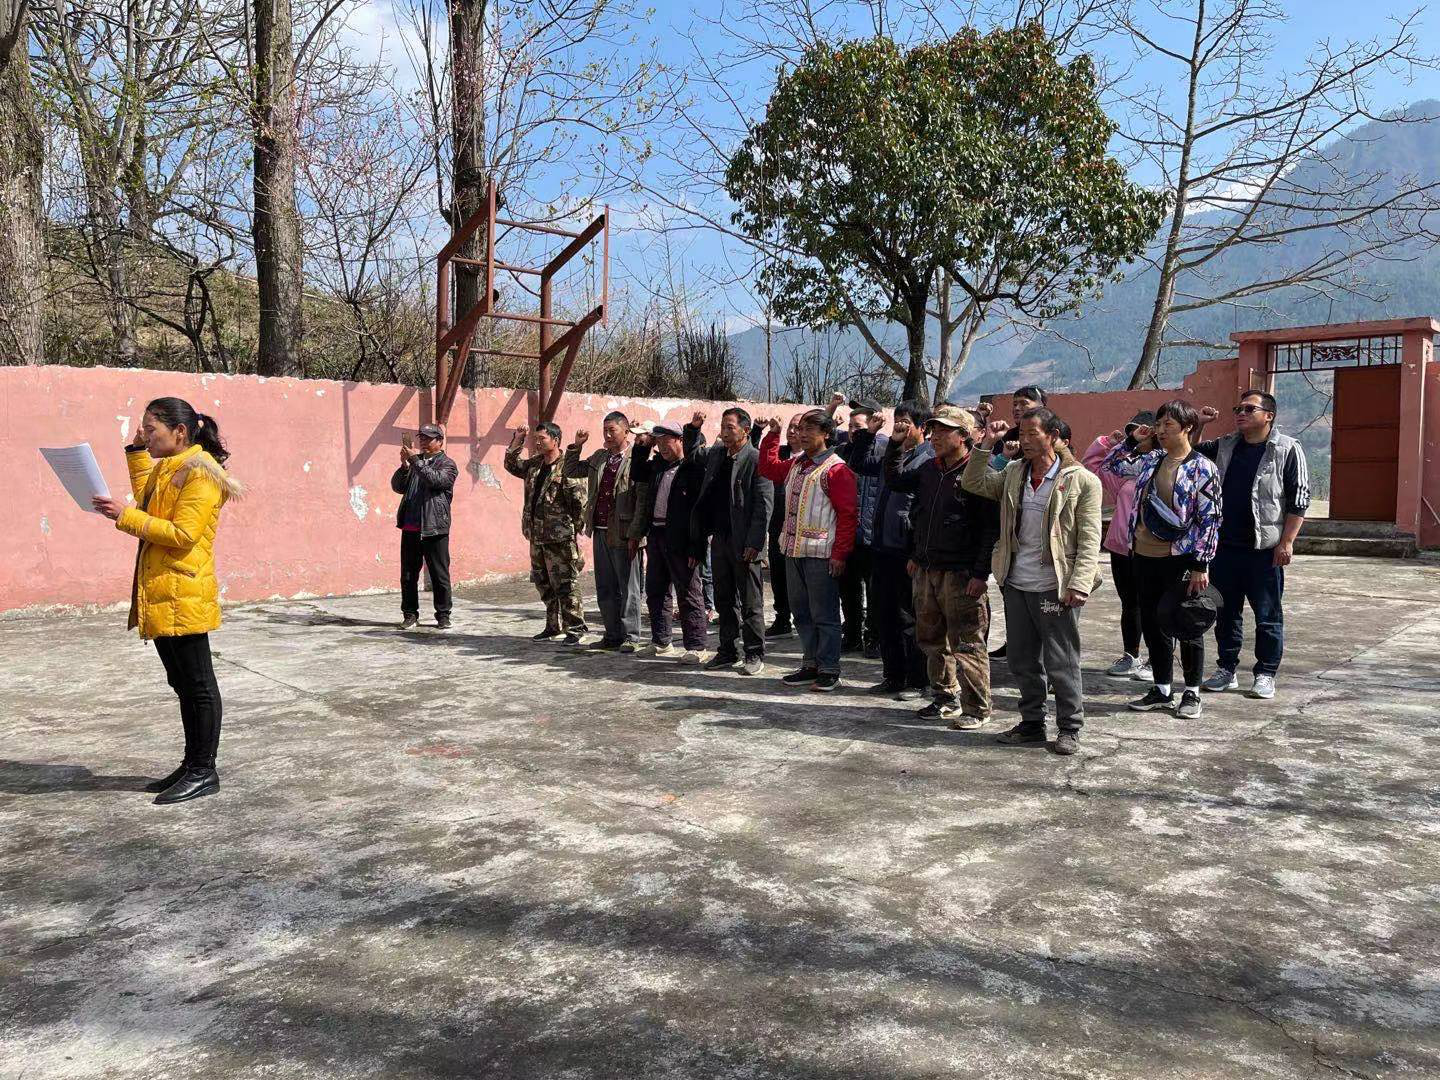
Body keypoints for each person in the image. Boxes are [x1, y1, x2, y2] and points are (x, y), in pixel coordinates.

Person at [90, 397, 242, 805]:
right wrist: (136, 452)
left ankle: (204, 770)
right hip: (163, 589)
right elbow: (149, 502)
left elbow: (183, 534)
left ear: (180, 432)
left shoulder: (201, 472)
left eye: (151, 430)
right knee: (183, 683)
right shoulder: (170, 466)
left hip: (183, 590)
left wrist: (124, 516)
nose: (146, 435)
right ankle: (191, 763)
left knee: (198, 685)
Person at [963, 408, 1103, 755]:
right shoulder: (1014, 472)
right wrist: (986, 444)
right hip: (1016, 581)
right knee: (1022, 660)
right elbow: (973, 482)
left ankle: (1069, 727)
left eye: (1032, 434)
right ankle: (1031, 723)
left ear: (1053, 436)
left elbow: (1089, 539)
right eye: (1021, 434)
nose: (1024, 441)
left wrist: (1080, 583)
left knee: (1061, 660)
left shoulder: (1082, 481)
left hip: (1056, 586)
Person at [1101, 400, 1222, 720]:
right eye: (1159, 424)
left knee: (1188, 623)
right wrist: (1131, 441)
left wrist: (1201, 564)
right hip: (1143, 555)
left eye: (1169, 424)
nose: (1161, 430)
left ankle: (1192, 692)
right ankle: (1162, 688)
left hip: (1181, 558)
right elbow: (1110, 467)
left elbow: (1210, 518)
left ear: (1188, 427)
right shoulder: (1152, 460)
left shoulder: (1202, 467)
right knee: (1154, 623)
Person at [885, 405, 1000, 726]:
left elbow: (990, 531)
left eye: (943, 431)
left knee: (967, 643)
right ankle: (945, 697)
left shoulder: (978, 473)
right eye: (933, 430)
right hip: (927, 569)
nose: (935, 436)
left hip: (961, 574)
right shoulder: (929, 469)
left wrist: (980, 573)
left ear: (963, 436)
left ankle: (977, 708)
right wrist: (895, 445)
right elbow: (896, 482)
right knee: (932, 640)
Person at [1193, 391, 1310, 699]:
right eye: (1238, 408)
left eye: (1249, 409)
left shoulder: (1287, 449)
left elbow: (1299, 499)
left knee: (1267, 616)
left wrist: (1287, 542)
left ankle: (1266, 673)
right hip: (1224, 548)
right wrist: (1200, 423)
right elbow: (1191, 454)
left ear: (1268, 416)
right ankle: (1226, 670)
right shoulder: (1226, 445)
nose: (1240, 413)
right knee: (1225, 613)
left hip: (1264, 551)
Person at [758, 409, 859, 692]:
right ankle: (810, 662)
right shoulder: (796, 464)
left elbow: (848, 516)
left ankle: (829, 668)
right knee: (801, 612)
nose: (802, 434)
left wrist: (840, 554)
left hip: (821, 553)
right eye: (800, 429)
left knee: (824, 614)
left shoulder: (836, 469)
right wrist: (773, 435)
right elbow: (768, 468)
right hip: (794, 550)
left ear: (825, 434)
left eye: (809, 430)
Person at [692, 408, 774, 675]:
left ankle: (754, 652)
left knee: (751, 601)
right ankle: (728, 650)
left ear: (745, 431)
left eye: (730, 427)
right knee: (724, 599)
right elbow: (693, 456)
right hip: (720, 538)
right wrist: (693, 429)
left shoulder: (755, 458)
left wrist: (755, 543)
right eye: (723, 427)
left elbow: (763, 506)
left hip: (745, 541)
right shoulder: (718, 454)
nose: (724, 432)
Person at [564, 411, 647, 654]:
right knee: (605, 586)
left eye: (613, 430)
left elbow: (642, 501)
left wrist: (636, 534)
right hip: (600, 530)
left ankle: (631, 636)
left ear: (626, 431)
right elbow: (571, 470)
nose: (608, 435)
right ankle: (612, 634)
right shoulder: (600, 457)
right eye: (605, 431)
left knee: (628, 587)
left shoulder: (635, 458)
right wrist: (576, 446)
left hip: (625, 532)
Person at [868, 400, 935, 700]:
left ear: (922, 427)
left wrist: (916, 553)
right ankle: (893, 675)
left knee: (909, 617)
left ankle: (917, 680)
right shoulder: (893, 454)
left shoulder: (927, 460)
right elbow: (861, 463)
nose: (900, 427)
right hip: (882, 545)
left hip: (906, 549)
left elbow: (921, 512)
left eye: (906, 422)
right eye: (897, 420)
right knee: (884, 614)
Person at [1082, 412, 1155, 681]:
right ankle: (1131, 655)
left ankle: (1157, 659)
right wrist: (1109, 443)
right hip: (1122, 547)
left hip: (1154, 548)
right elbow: (1093, 467)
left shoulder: (1164, 466)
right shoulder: (1126, 470)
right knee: (1130, 603)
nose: (1138, 436)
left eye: (1144, 431)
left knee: (1154, 604)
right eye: (1133, 431)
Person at [504, 421, 590, 644]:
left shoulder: (567, 466)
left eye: (542, 438)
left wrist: (576, 532)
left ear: (556, 440)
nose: (538, 443)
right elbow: (511, 465)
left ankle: (576, 628)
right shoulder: (535, 464)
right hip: (536, 534)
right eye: (536, 439)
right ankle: (553, 626)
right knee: (543, 582)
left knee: (566, 583)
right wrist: (518, 439)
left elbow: (579, 502)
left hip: (560, 536)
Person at [633, 418, 710, 662]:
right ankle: (661, 641)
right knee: (656, 591)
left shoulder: (692, 468)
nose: (662, 446)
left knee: (688, 593)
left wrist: (696, 547)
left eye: (667, 440)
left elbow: (700, 512)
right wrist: (642, 445)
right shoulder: (657, 466)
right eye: (658, 442)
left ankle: (696, 646)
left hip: (682, 539)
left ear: (679, 440)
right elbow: (637, 472)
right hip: (656, 534)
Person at [987, 385, 1048, 661]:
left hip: (1038, 532)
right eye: (1014, 404)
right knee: (1010, 592)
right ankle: (1015, 641)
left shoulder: (1054, 435)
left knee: (1041, 603)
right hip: (1008, 527)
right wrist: (998, 449)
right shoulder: (1008, 438)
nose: (1017, 408)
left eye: (1024, 403)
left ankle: (1039, 653)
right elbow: (987, 479)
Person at [829, 393, 887, 654]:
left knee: (876, 593)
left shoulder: (886, 449)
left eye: (859, 427)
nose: (853, 431)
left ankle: (874, 636)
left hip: (874, 535)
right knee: (848, 590)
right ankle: (852, 633)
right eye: (851, 426)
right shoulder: (843, 451)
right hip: (848, 534)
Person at [390, 423, 457, 630]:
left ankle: (443, 615)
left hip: (434, 527)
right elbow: (398, 487)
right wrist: (404, 466)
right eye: (421, 438)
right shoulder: (415, 461)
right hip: (411, 527)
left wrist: (414, 462)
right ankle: (410, 614)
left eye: (428, 438)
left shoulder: (448, 464)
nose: (423, 442)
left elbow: (436, 481)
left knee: (439, 574)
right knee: (408, 575)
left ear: (440, 441)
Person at [754, 415, 801, 638]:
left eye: (797, 427)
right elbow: (758, 458)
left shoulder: (815, 458)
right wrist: (761, 430)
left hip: (803, 530)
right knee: (779, 575)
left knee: (801, 578)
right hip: (778, 525)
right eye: (790, 427)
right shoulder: (780, 453)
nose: (792, 431)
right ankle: (782, 618)